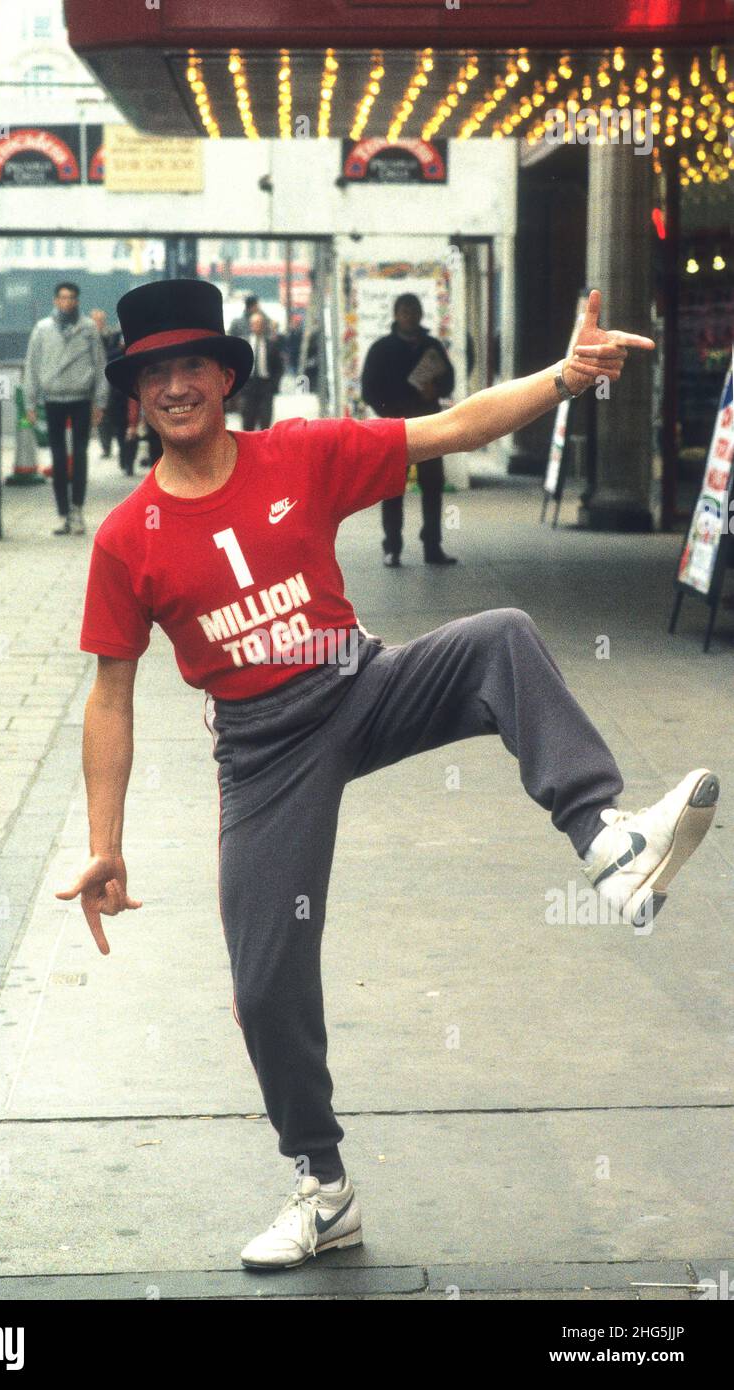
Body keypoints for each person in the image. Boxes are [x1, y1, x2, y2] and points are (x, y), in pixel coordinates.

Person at [56, 276, 719, 1272]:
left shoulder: (303, 454)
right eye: (156, 372)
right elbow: (111, 694)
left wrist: (562, 378)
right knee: (266, 981)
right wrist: (105, 844)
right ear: (137, 394)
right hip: (263, 749)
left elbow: (451, 427)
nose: (177, 384)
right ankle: (324, 1191)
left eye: (193, 363)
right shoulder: (126, 538)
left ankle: (608, 844)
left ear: (226, 377)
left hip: (359, 685)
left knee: (499, 635)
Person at [361, 292, 457, 567]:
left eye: (414, 310)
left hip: (429, 425)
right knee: (392, 488)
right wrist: (388, 413)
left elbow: (449, 381)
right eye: (404, 311)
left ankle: (433, 546)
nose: (410, 315)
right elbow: (369, 390)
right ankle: (392, 547)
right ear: (396, 315)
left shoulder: (432, 346)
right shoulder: (381, 348)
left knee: (433, 485)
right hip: (394, 428)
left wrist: (436, 390)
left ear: (420, 314)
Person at [24, 282, 109, 535]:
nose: (67, 302)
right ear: (55, 300)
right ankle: (63, 514)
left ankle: (77, 510)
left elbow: (100, 364)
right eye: (62, 297)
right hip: (53, 399)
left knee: (80, 456)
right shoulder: (42, 329)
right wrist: (30, 401)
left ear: (77, 301)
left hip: (81, 399)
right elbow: (32, 365)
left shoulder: (89, 329)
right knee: (58, 458)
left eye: (71, 298)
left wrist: (100, 401)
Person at [90, 309, 129, 471]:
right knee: (102, 418)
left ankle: (123, 454)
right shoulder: (89, 337)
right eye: (95, 320)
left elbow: (118, 353)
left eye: (100, 320)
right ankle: (106, 447)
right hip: (98, 383)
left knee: (119, 420)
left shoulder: (112, 334)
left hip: (114, 384)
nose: (98, 323)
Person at [237, 310, 284, 431]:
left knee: (265, 423)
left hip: (265, 387)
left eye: (259, 323)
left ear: (263, 325)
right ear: (250, 325)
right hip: (248, 387)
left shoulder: (271, 344)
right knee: (248, 423)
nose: (256, 326)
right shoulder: (243, 344)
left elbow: (279, 367)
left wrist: (274, 385)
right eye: (254, 323)